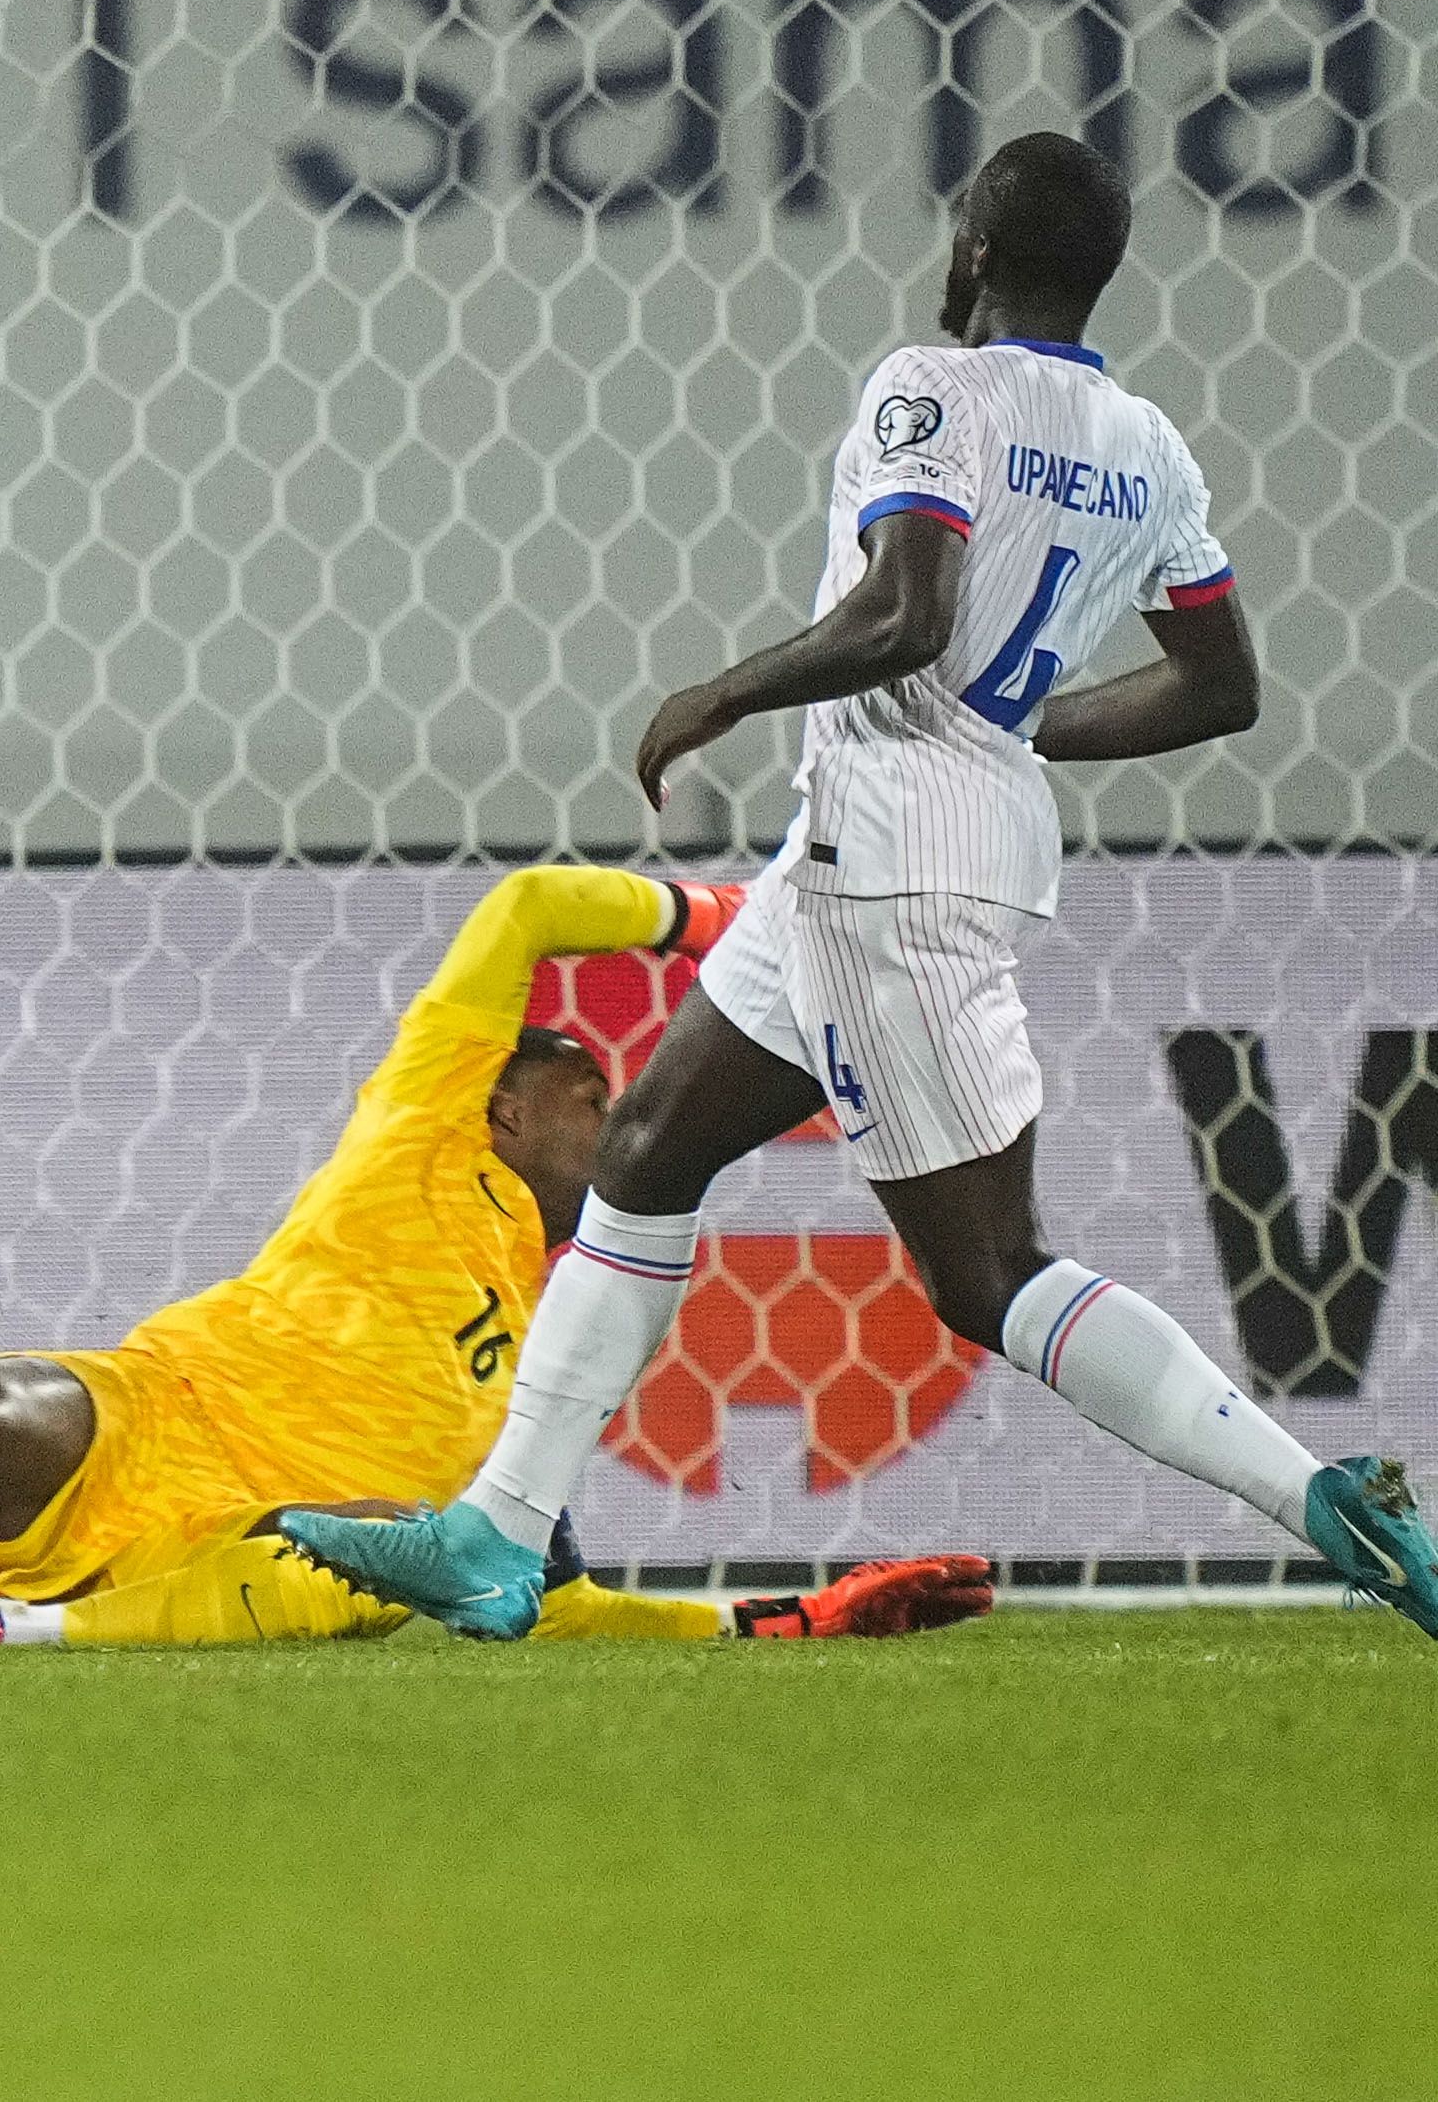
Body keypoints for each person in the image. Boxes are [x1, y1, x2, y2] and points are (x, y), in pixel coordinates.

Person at [290, 133, 1436, 1642]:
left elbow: (905, 612)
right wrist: (1016, 725)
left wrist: (718, 691)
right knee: (644, 1148)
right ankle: (496, 1535)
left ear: (973, 249)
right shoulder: (1147, 446)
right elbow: (1219, 685)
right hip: (892, 849)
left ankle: (1324, 1502)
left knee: (990, 1275)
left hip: (885, 863)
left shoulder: (932, 389)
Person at [0, 863, 992, 1650]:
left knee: (369, 1567)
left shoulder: (573, 1323)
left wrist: (778, 1622)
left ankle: (4, 1643)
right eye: (585, 1090)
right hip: (148, 1410)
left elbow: (532, 1589)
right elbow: (520, 908)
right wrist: (724, 917)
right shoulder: (420, 1122)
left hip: (259, 1540)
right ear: (505, 1100)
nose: (612, 1108)